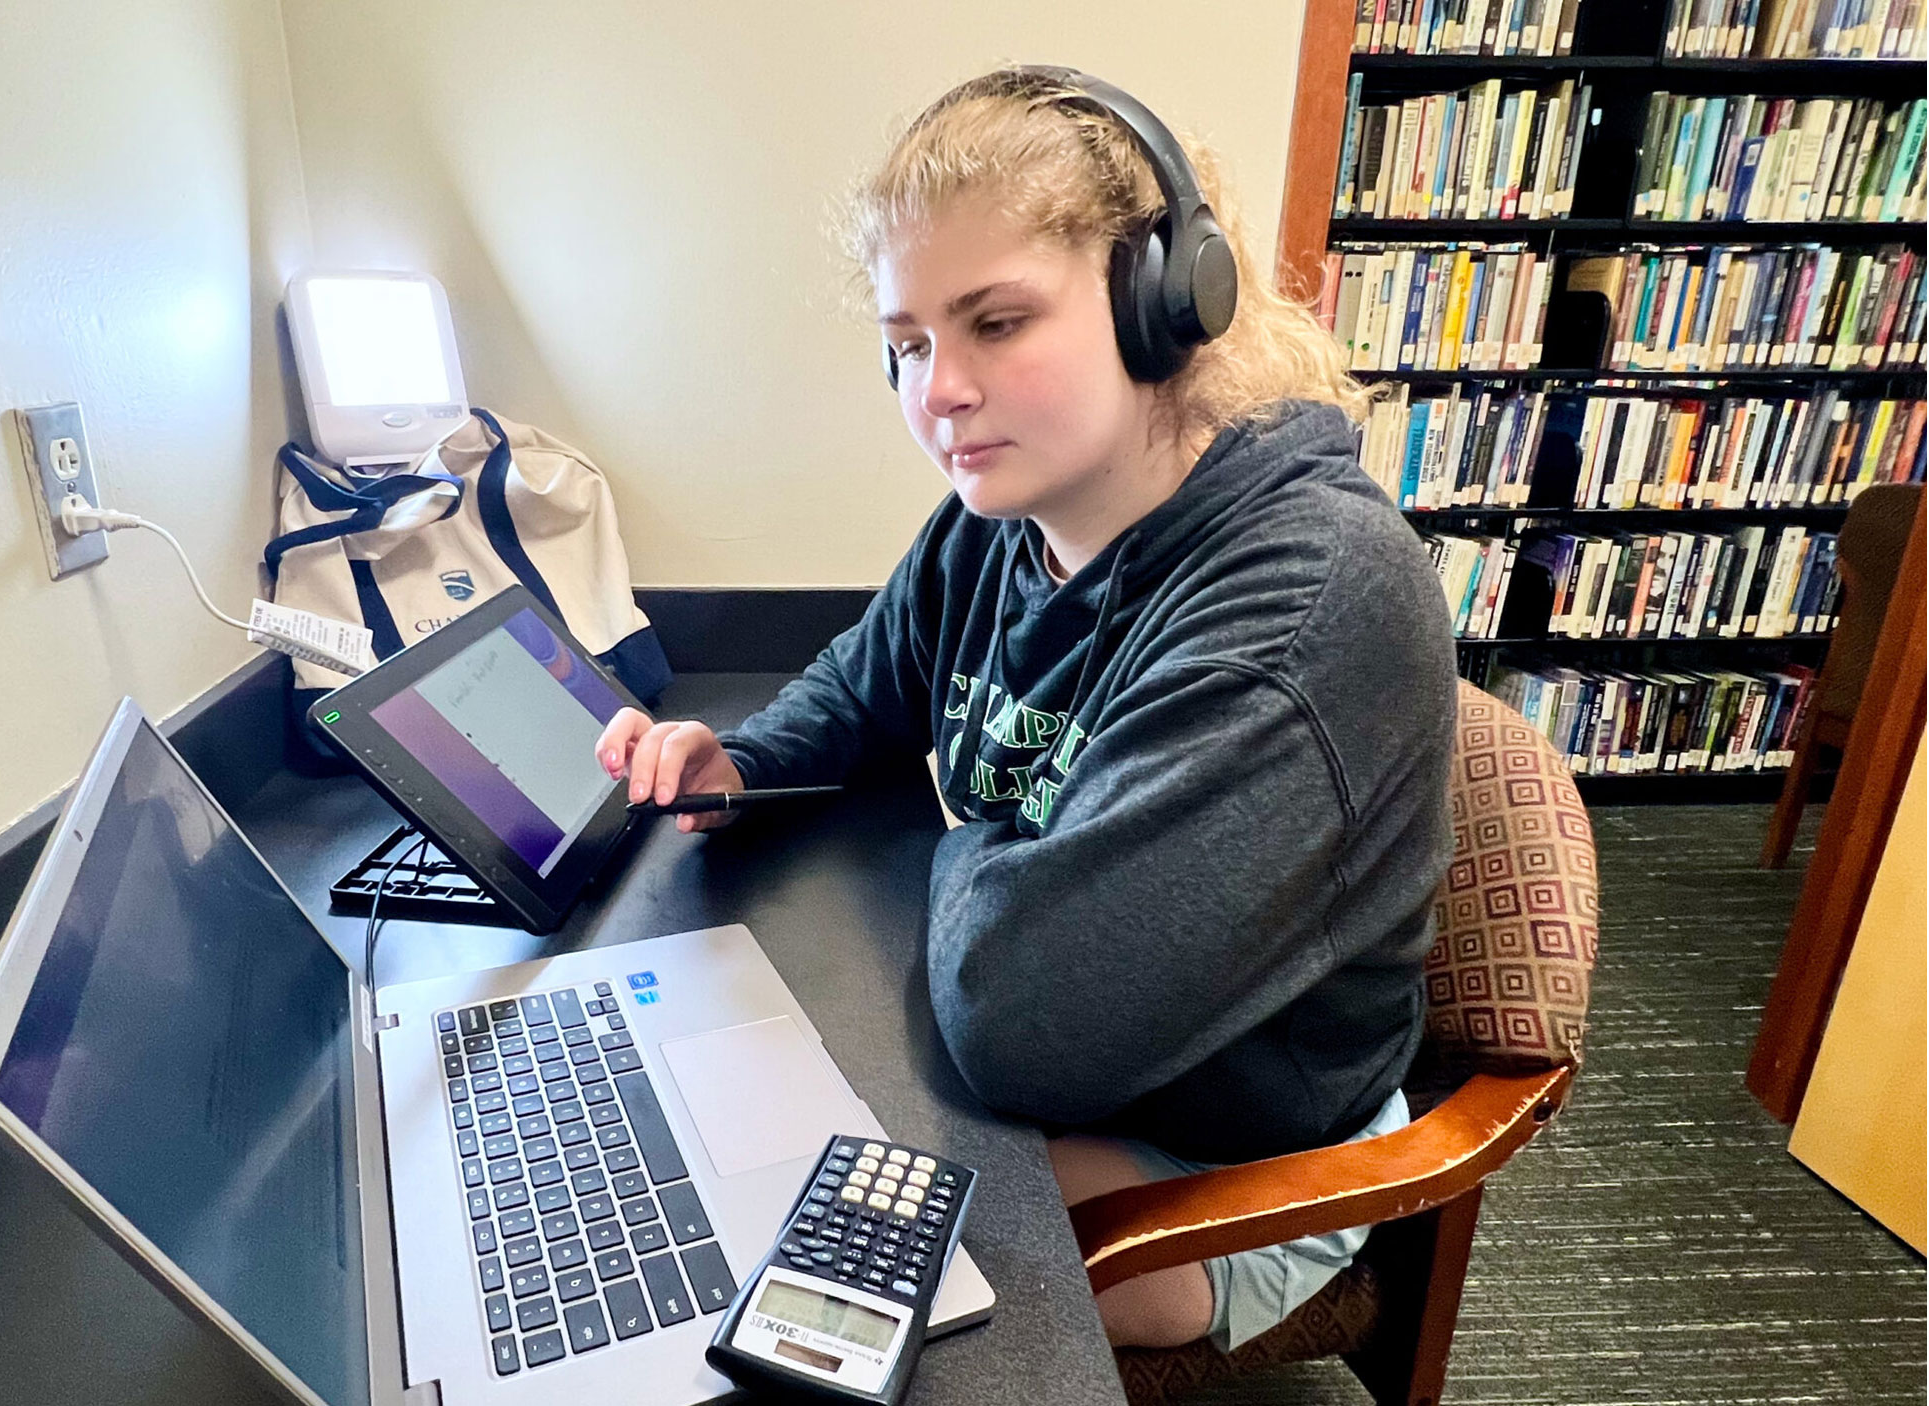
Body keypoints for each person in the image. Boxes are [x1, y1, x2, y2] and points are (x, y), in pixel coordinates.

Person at [593, 68, 1458, 1353]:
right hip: (1065, 1035)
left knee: (850, 1319)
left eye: (995, 322)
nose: (937, 388)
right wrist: (748, 755)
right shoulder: (1001, 523)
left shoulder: (1304, 602)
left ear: (1164, 303)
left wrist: (960, 842)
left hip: (1234, 1156)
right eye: (906, 343)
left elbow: (1018, 1015)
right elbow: (866, 681)